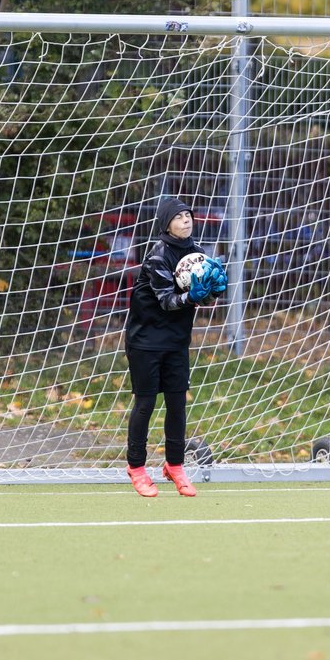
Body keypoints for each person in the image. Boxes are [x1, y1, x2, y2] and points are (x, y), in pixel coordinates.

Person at [122, 197, 227, 497]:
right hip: (145, 341)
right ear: (166, 223)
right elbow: (168, 301)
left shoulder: (197, 253)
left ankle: (175, 465)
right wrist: (193, 297)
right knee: (145, 404)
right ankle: (137, 468)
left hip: (176, 341)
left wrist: (213, 291)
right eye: (178, 217)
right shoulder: (157, 255)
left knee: (177, 403)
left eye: (188, 215)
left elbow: (200, 295)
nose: (186, 220)